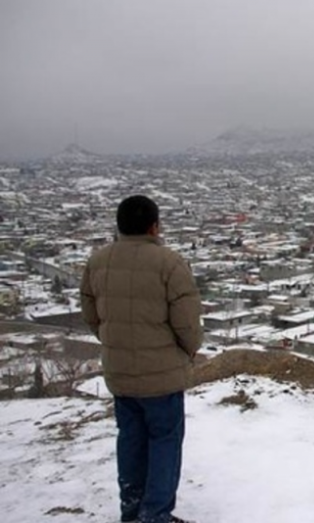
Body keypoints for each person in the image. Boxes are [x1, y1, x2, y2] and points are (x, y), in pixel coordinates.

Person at [80, 195, 203, 523]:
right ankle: (155, 515)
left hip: (120, 374)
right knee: (164, 443)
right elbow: (187, 324)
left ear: (120, 226)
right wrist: (187, 350)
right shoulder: (170, 263)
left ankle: (132, 509)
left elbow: (92, 315)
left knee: (131, 441)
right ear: (154, 226)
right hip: (162, 377)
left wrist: (114, 343)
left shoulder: (98, 261)